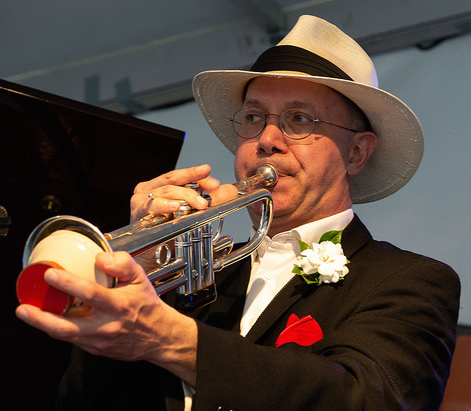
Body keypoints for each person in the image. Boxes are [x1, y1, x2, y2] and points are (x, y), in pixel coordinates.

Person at [16, 15, 460, 410]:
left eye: (299, 119)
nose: (266, 139)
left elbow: (363, 398)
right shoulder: (180, 285)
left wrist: (174, 340)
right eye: (253, 117)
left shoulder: (410, 282)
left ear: (356, 153)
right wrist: (131, 272)